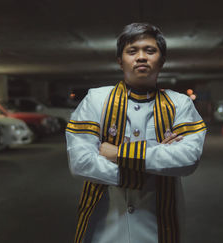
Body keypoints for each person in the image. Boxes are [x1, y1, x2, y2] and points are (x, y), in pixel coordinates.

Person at [66, 23, 207, 243]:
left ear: (162, 60)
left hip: (158, 225)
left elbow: (188, 159)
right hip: (105, 225)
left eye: (150, 50)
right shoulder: (96, 99)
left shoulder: (179, 104)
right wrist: (155, 161)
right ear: (120, 61)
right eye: (132, 51)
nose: (141, 57)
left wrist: (117, 153)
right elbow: (81, 161)